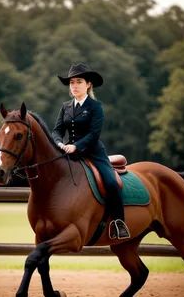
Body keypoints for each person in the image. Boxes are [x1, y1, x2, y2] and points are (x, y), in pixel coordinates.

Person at [52, 63, 130, 240]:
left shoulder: (96, 107)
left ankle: (119, 223)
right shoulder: (65, 106)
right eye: (72, 82)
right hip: (69, 154)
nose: (74, 86)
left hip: (93, 154)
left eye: (79, 82)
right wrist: (59, 143)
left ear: (88, 85)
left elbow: (94, 134)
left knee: (111, 182)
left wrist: (76, 146)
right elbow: (56, 131)